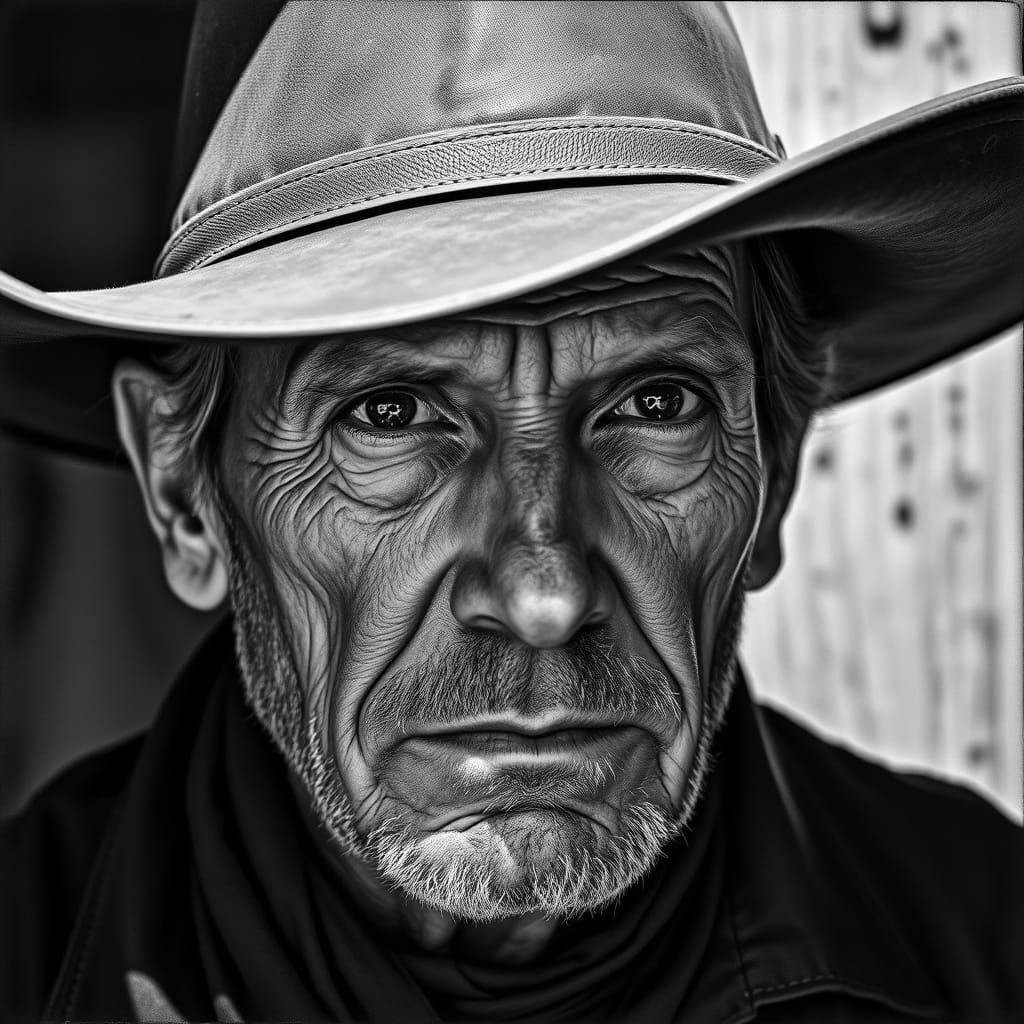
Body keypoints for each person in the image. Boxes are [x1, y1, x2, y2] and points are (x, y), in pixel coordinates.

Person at [1, 2, 1021, 1021]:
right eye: (390, 414)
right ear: (185, 491)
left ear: (775, 471)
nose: (543, 591)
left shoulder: (987, 950)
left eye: (654, 405)